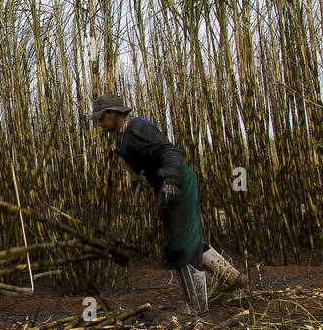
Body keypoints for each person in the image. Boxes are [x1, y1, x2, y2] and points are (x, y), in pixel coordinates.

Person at [88, 92, 245, 313]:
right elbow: (142, 162)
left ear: (113, 113)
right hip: (163, 184)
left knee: (179, 243)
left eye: (102, 118)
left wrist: (171, 182)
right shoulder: (121, 137)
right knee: (184, 237)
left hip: (177, 181)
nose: (100, 124)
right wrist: (139, 180)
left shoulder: (137, 127)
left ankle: (197, 305)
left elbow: (169, 151)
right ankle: (232, 277)